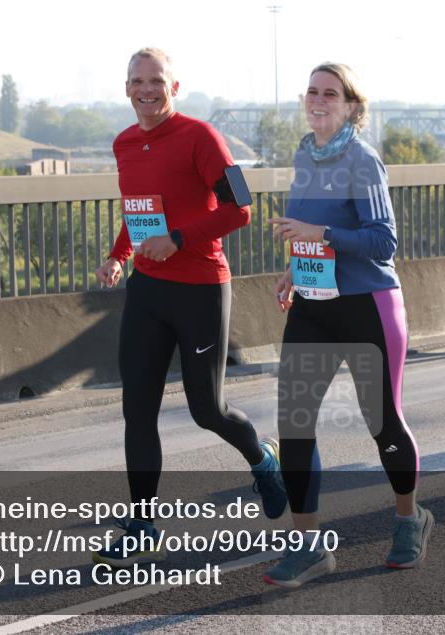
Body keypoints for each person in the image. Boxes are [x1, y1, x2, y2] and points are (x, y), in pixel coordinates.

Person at [91, 48, 287, 568]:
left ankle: (262, 457)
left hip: (200, 287)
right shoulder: (125, 143)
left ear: (174, 87)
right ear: (126, 87)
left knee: (207, 409)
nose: (147, 89)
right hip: (147, 292)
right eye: (137, 81)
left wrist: (179, 239)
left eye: (157, 81)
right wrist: (118, 256)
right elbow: (138, 211)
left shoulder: (202, 137)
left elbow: (241, 208)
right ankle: (142, 524)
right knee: (138, 410)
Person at [263, 63, 431, 588]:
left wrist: (320, 232)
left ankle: (410, 519)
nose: (318, 99)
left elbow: (383, 242)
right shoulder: (302, 155)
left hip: (367, 304)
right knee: (295, 421)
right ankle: (309, 545)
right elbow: (310, 229)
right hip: (314, 304)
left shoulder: (363, 159)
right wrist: (297, 264)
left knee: (381, 420)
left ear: (351, 105)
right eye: (312, 91)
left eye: (330, 93)